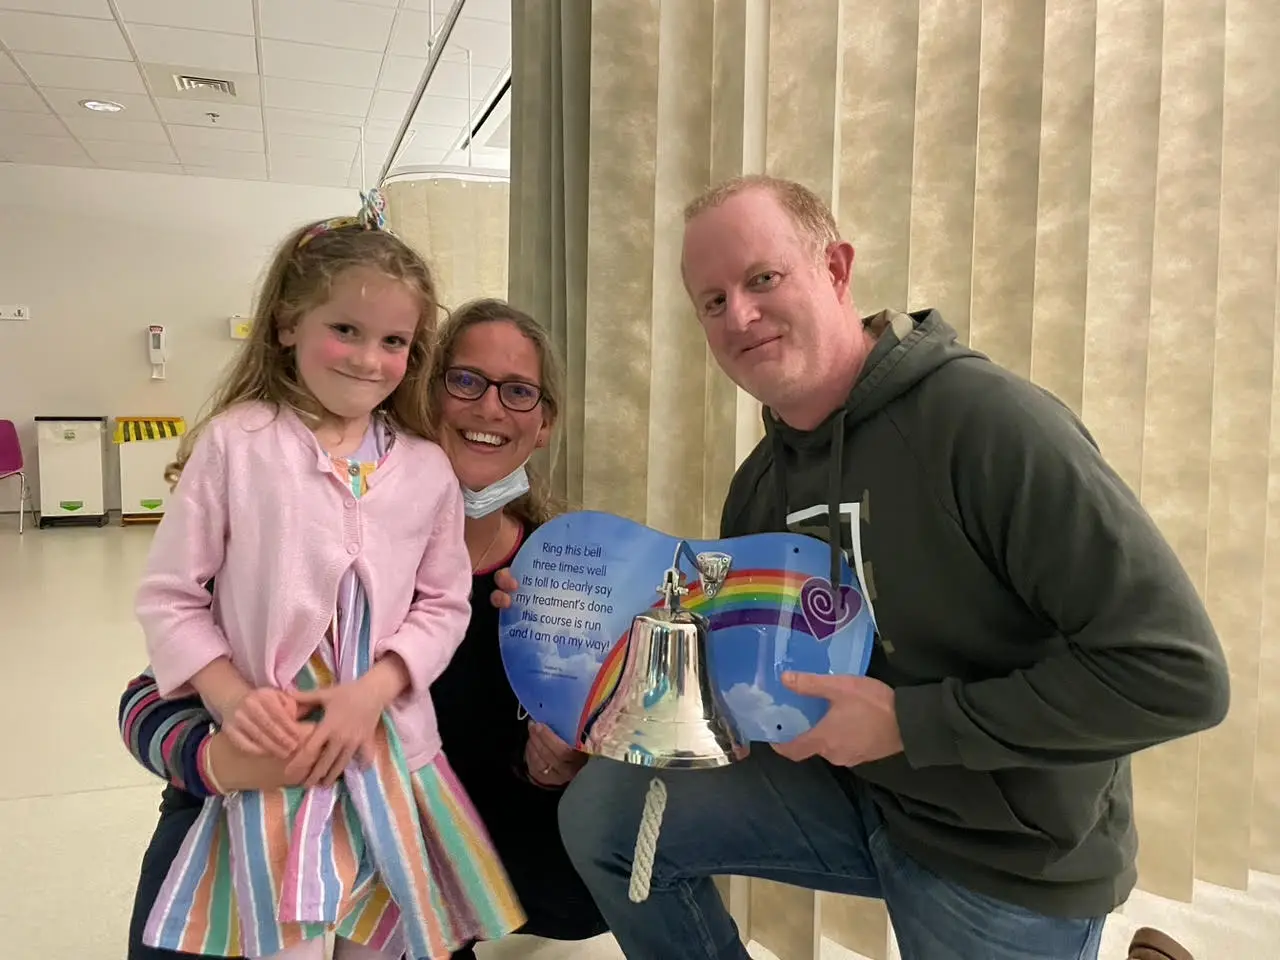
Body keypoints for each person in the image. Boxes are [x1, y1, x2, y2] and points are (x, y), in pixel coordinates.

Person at [492, 174, 1230, 960]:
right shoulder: (759, 489)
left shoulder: (988, 427)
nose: (738, 315)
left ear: (836, 269)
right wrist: (585, 680)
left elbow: (1179, 677)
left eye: (762, 278)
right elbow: (744, 683)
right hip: (859, 797)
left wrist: (909, 724)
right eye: (712, 301)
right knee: (607, 814)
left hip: (1008, 851)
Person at [119, 297, 606, 960]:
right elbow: (145, 698)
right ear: (420, 390)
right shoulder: (310, 539)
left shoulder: (555, 577)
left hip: (412, 838)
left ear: (545, 423)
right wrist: (216, 761)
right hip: (247, 807)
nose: (490, 408)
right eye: (464, 380)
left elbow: (576, 739)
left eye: (519, 392)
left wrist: (562, 759)